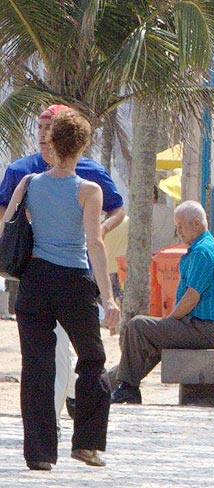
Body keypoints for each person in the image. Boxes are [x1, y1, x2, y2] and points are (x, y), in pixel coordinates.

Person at [0, 104, 125, 438]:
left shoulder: (26, 181)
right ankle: (87, 441)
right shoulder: (89, 188)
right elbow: (95, 243)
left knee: (36, 367)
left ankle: (39, 452)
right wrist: (109, 298)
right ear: (83, 146)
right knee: (92, 359)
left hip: (34, 280)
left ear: (50, 143)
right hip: (73, 279)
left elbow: (5, 228)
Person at [109, 200, 214, 404]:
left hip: (205, 329)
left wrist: (171, 321)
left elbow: (192, 296)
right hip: (207, 328)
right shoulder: (209, 248)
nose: (178, 232)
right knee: (148, 344)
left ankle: (125, 388)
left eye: (181, 226)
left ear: (196, 223)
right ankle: (105, 386)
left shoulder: (203, 252)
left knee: (137, 325)